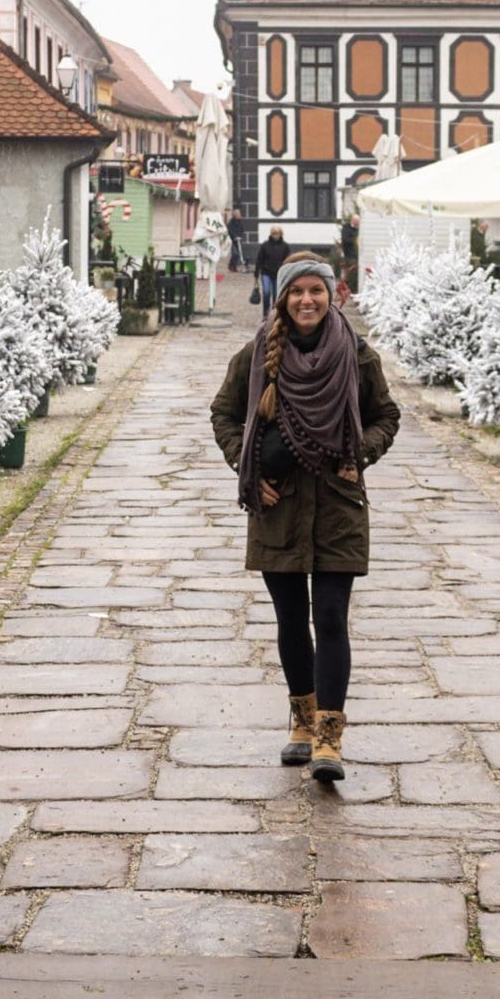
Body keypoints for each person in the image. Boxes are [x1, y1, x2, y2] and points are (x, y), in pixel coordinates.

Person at [210, 253, 400, 781]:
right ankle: (301, 721)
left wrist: (360, 452)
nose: (307, 300)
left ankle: (329, 740)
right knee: (291, 620)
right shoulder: (257, 355)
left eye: (316, 290)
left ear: (332, 295)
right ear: (283, 298)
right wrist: (246, 467)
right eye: (297, 292)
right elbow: (223, 413)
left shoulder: (357, 356)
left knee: (332, 619)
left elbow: (387, 415)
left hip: (339, 507)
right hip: (280, 508)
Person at [253, 226, 291, 315]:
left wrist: (288, 272)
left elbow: (288, 260)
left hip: (278, 274)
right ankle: (265, 313)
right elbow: (259, 259)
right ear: (271, 234)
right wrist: (256, 273)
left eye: (277, 233)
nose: (275, 235)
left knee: (276, 295)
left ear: (280, 234)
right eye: (274, 233)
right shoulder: (265, 245)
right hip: (266, 272)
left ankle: (274, 313)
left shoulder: (285, 246)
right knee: (266, 292)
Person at [339, 214, 360, 292]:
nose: (358, 223)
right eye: (356, 221)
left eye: (358, 221)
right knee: (354, 270)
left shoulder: (359, 229)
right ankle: (351, 289)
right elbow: (345, 240)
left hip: (358, 255)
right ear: (352, 220)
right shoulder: (346, 228)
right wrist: (355, 239)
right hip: (349, 255)